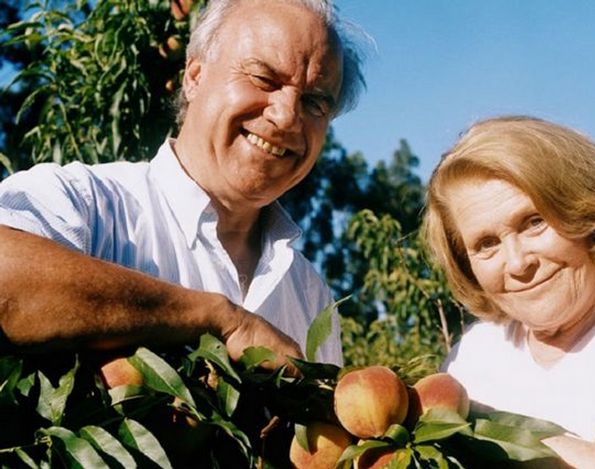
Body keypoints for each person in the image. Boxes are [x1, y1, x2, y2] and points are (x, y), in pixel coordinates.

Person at [0, 0, 366, 368]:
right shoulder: (90, 205)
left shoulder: (310, 294)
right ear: (194, 76)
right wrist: (219, 319)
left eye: (315, 102)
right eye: (264, 79)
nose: (287, 116)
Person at [423, 116, 595, 468]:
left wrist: (508, 436)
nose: (517, 263)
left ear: (585, 212)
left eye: (534, 222)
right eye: (486, 244)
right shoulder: (474, 357)